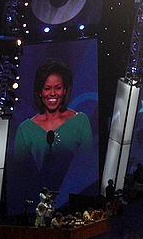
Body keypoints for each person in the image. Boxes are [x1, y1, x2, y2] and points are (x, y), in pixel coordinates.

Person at [12, 59, 93, 210]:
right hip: (37, 204)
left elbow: (86, 167)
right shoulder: (26, 129)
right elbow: (20, 177)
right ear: (39, 91)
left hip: (75, 202)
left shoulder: (80, 121)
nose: (52, 93)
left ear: (65, 90)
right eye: (47, 88)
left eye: (58, 88)